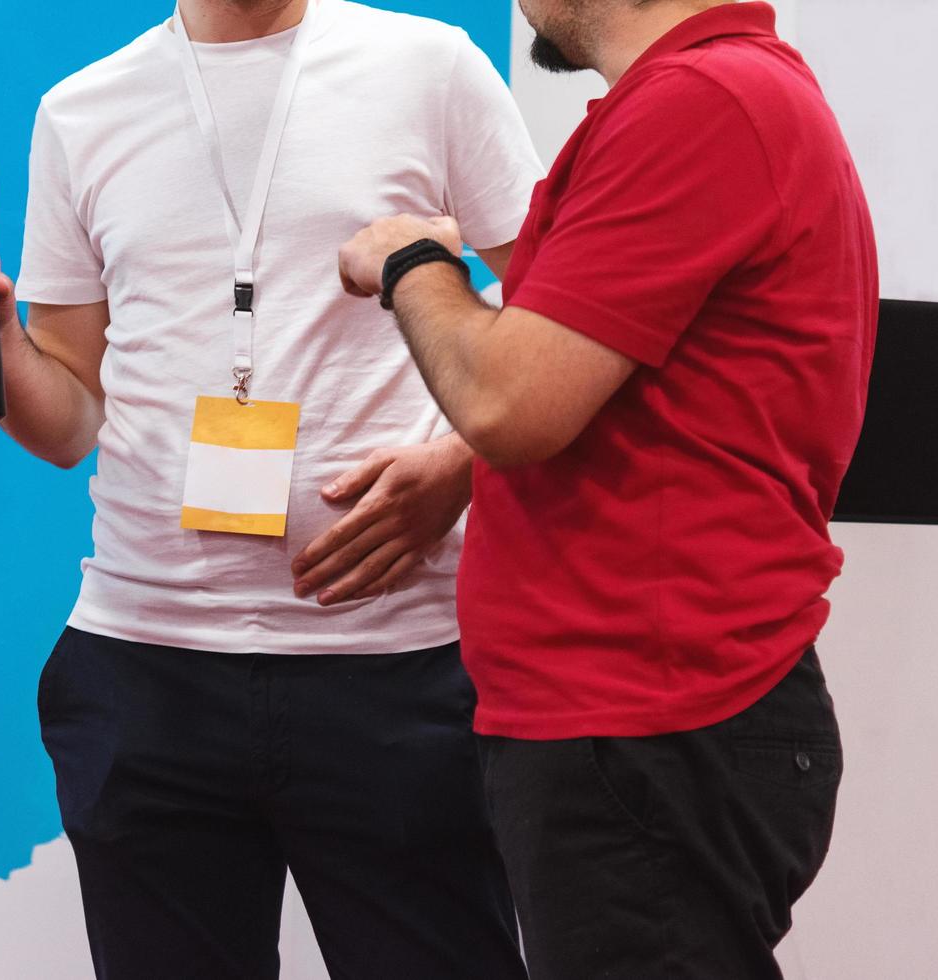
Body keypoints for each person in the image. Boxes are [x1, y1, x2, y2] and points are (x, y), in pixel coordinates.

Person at [0, 1, 543, 976]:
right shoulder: (84, 111)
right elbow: (72, 416)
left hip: (389, 661)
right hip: (145, 664)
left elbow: (560, 307)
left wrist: (465, 463)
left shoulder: (431, 68)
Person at [338, 1, 876, 977]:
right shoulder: (699, 99)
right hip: (636, 725)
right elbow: (614, 381)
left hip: (648, 723)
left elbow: (508, 400)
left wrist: (410, 259)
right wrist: (463, 468)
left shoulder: (702, 103)